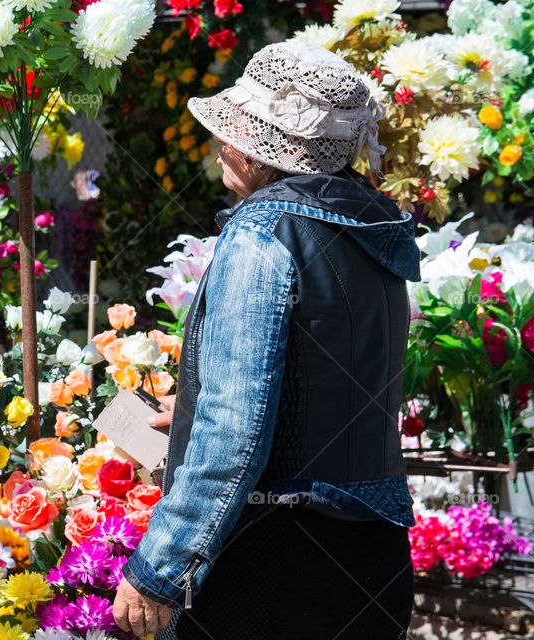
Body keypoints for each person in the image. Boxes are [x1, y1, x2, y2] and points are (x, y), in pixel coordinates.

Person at [112, 40, 420, 640]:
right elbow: (337, 391)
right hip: (371, 553)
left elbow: (233, 433)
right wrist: (193, 404)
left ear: (261, 152)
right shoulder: (373, 227)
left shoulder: (262, 232)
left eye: (235, 131)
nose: (221, 144)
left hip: (274, 564)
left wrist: (159, 568)